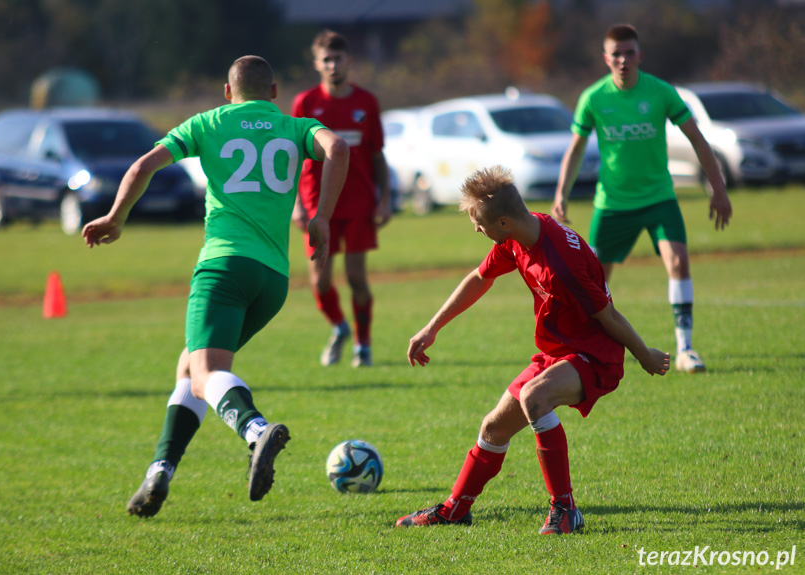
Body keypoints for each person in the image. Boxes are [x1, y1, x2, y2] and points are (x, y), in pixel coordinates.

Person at [82, 55, 349, 517]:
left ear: (228, 92)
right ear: (274, 92)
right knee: (190, 366)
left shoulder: (207, 122)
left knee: (205, 375)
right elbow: (339, 148)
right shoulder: (293, 126)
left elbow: (144, 166)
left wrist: (115, 218)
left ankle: (254, 429)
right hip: (273, 280)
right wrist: (321, 216)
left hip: (223, 268)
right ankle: (159, 472)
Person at [396, 166, 669, 534]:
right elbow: (480, 278)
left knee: (534, 397)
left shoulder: (561, 264)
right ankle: (454, 509)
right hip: (558, 351)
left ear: (504, 222)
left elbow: (609, 317)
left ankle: (565, 510)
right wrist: (432, 328)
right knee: (493, 428)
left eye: (479, 222)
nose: (477, 229)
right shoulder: (518, 237)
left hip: (594, 354)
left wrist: (644, 355)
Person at [552, 24, 732, 374]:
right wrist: (561, 194)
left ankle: (686, 349)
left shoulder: (661, 93)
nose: (623, 60)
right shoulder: (593, 98)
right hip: (613, 205)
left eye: (629, 52)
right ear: (606, 59)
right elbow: (574, 150)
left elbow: (697, 139)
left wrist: (718, 188)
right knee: (595, 284)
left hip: (659, 199)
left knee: (678, 263)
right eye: (615, 54)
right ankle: (584, 349)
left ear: (640, 56)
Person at [291, 29, 392, 368]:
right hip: (317, 204)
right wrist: (295, 205)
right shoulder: (305, 103)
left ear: (349, 61)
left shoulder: (367, 103)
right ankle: (339, 327)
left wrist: (385, 199)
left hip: (359, 203)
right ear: (317, 64)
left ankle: (363, 345)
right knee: (319, 282)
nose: (333, 65)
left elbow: (378, 156)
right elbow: (289, 156)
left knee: (356, 278)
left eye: (338, 59)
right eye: (326, 60)